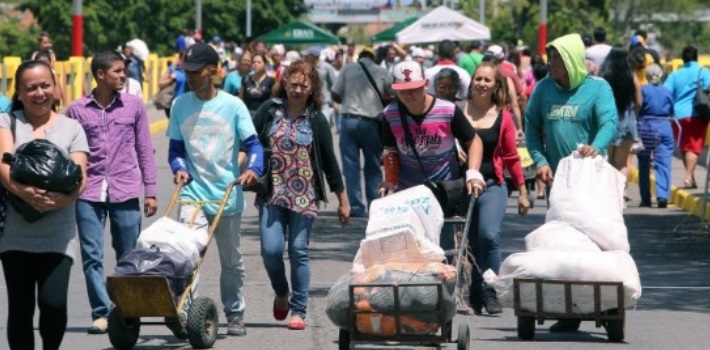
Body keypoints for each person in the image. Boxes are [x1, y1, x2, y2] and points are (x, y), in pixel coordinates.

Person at [167, 42, 264, 336]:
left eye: (197, 72)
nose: (191, 77)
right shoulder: (179, 104)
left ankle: (235, 313)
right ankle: (185, 313)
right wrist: (179, 168)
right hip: (192, 194)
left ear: (213, 71)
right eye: (187, 71)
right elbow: (175, 149)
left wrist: (252, 169)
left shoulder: (233, 105)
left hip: (226, 195)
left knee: (231, 261)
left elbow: (254, 145)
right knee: (187, 256)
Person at [525, 33, 618, 332]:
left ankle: (606, 301)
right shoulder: (543, 90)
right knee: (564, 244)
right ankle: (569, 311)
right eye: (549, 57)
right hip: (559, 181)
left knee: (596, 241)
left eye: (556, 58)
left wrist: (597, 146)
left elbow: (608, 123)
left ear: (570, 60)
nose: (550, 63)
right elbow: (532, 128)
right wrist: (540, 162)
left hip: (591, 179)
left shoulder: (598, 88)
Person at [252, 60, 350, 330]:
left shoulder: (317, 119)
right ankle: (282, 291)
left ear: (312, 89)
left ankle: (299, 310)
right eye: (293, 84)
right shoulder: (269, 110)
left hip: (304, 195)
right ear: (284, 83)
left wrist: (342, 199)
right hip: (271, 192)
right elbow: (248, 139)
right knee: (270, 250)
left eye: (303, 86)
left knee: (298, 250)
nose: (297, 89)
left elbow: (329, 161)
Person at [66, 50, 158, 334]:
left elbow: (144, 148)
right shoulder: (76, 110)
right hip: (88, 191)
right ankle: (101, 312)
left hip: (126, 188)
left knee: (127, 254)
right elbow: (69, 152)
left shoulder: (134, 106)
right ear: (100, 74)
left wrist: (151, 189)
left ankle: (126, 308)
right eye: (117, 71)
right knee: (92, 254)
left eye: (124, 70)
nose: (123, 75)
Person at [0, 59, 89, 350]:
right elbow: (2, 165)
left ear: (55, 88)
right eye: (31, 88)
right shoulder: (7, 121)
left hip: (58, 234)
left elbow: (80, 176)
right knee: (20, 309)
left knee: (53, 305)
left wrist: (61, 200)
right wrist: (25, 193)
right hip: (15, 233)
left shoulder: (72, 127)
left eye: (45, 85)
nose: (39, 93)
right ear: (20, 92)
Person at [462, 61, 529, 314]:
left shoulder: (504, 118)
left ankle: (491, 291)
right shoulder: (458, 111)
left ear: (496, 86)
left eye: (487, 80)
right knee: (469, 242)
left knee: (488, 235)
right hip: (461, 187)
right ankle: (474, 291)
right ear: (472, 82)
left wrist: (522, 191)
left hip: (492, 185)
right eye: (478, 79)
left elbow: (511, 157)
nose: (481, 84)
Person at [379, 60, 485, 202]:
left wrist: (473, 172)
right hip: (407, 191)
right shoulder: (390, 114)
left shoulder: (448, 110)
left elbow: (473, 140)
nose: (409, 95)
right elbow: (390, 150)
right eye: (403, 90)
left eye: (415, 89)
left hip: (445, 190)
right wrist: (390, 180)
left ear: (426, 84)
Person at [331, 47, 392, 217]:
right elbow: (393, 93)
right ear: (374, 57)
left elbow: (335, 94)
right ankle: (374, 205)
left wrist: (348, 99)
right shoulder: (382, 71)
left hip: (349, 121)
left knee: (351, 166)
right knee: (373, 166)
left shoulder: (347, 68)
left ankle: (357, 207)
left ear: (360, 57)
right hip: (372, 123)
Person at [664, 45, 710, 189]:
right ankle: (688, 177)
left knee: (685, 147)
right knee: (694, 148)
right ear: (696, 57)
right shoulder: (704, 72)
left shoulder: (675, 74)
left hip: (678, 116)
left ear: (683, 58)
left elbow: (666, 92)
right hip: (697, 114)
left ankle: (691, 178)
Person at [600, 46, 642, 201]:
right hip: (626, 120)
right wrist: (633, 115)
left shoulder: (603, 76)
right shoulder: (631, 76)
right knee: (623, 163)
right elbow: (638, 101)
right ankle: (621, 190)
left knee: (608, 160)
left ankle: (610, 191)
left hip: (607, 120)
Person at [637, 64, 674, 208]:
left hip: (646, 127)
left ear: (646, 76)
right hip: (664, 126)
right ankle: (662, 196)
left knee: (644, 163)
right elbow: (672, 110)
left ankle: (645, 199)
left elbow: (638, 107)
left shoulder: (643, 90)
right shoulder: (667, 91)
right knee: (664, 163)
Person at [158, 50, 189, 118]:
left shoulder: (193, 70)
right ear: (180, 59)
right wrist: (171, 79)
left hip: (188, 105)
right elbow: (160, 84)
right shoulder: (173, 69)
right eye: (185, 59)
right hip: (173, 105)